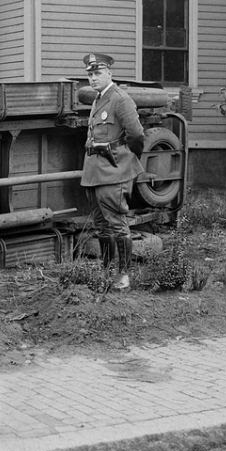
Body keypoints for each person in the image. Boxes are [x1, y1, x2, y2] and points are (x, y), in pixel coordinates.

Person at [81, 53, 146, 290]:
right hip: (95, 171)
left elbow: (137, 135)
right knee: (102, 226)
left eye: (98, 73)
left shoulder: (120, 99)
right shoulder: (99, 99)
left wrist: (127, 159)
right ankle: (107, 271)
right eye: (90, 74)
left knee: (117, 224)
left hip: (114, 170)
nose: (93, 78)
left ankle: (124, 275)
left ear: (109, 73)